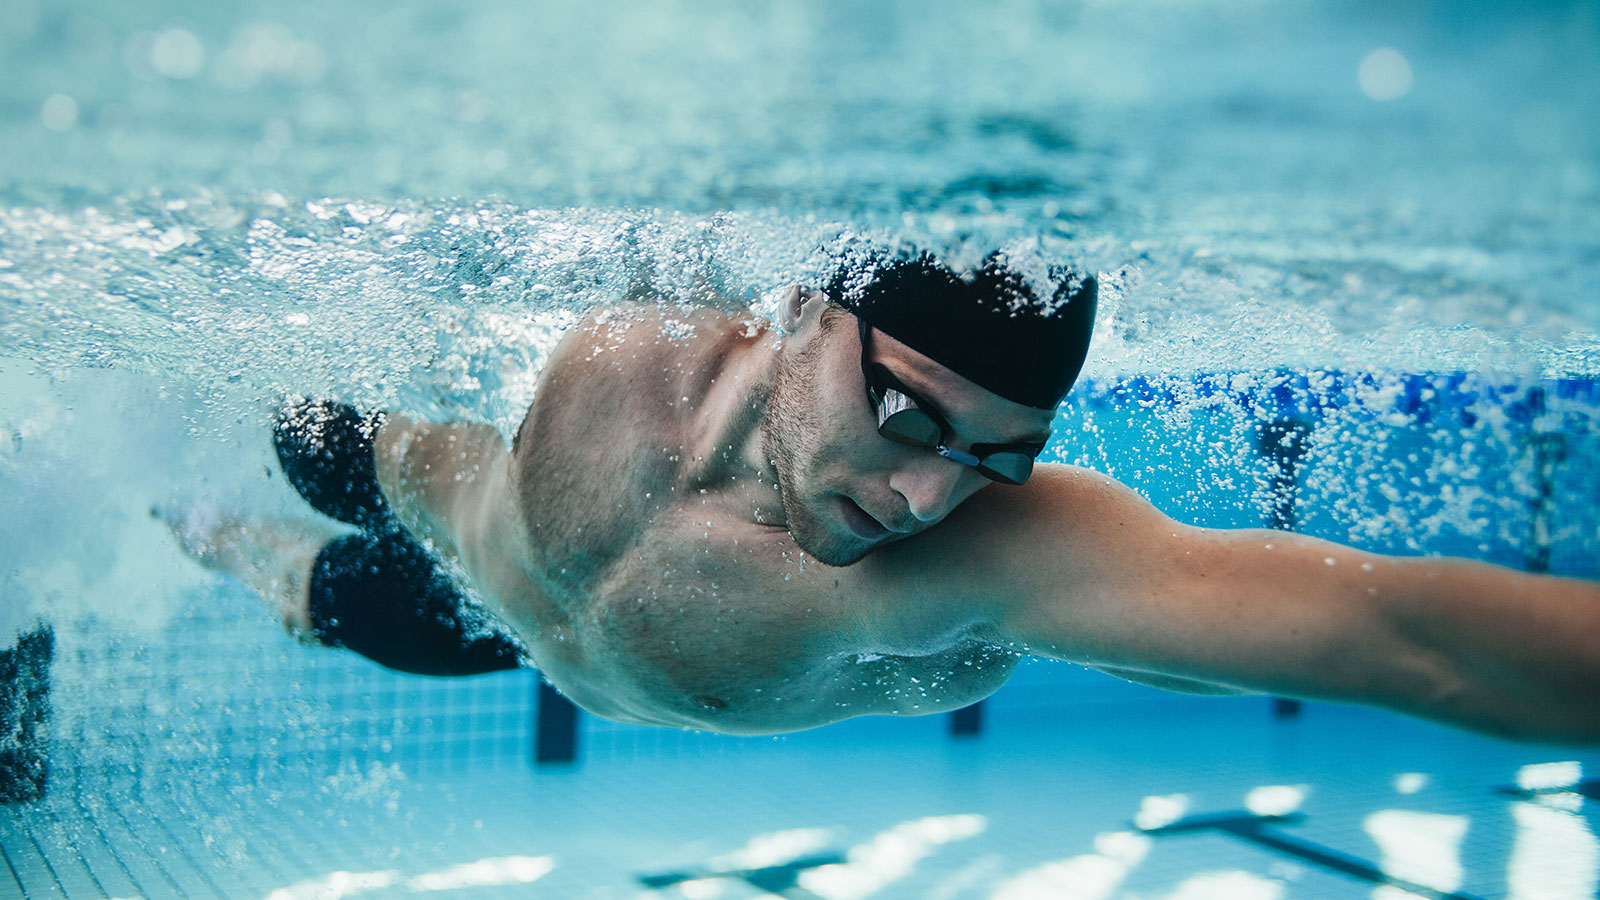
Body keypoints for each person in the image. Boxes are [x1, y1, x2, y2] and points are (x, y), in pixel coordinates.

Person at [172, 247, 1600, 743]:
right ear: (798, 311)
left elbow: (1403, 637)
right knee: (280, 425)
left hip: (480, 626)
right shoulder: (636, 326)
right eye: (910, 411)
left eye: (994, 454)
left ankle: (219, 547)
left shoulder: (982, 565)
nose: (927, 496)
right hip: (438, 501)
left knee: (303, 588)